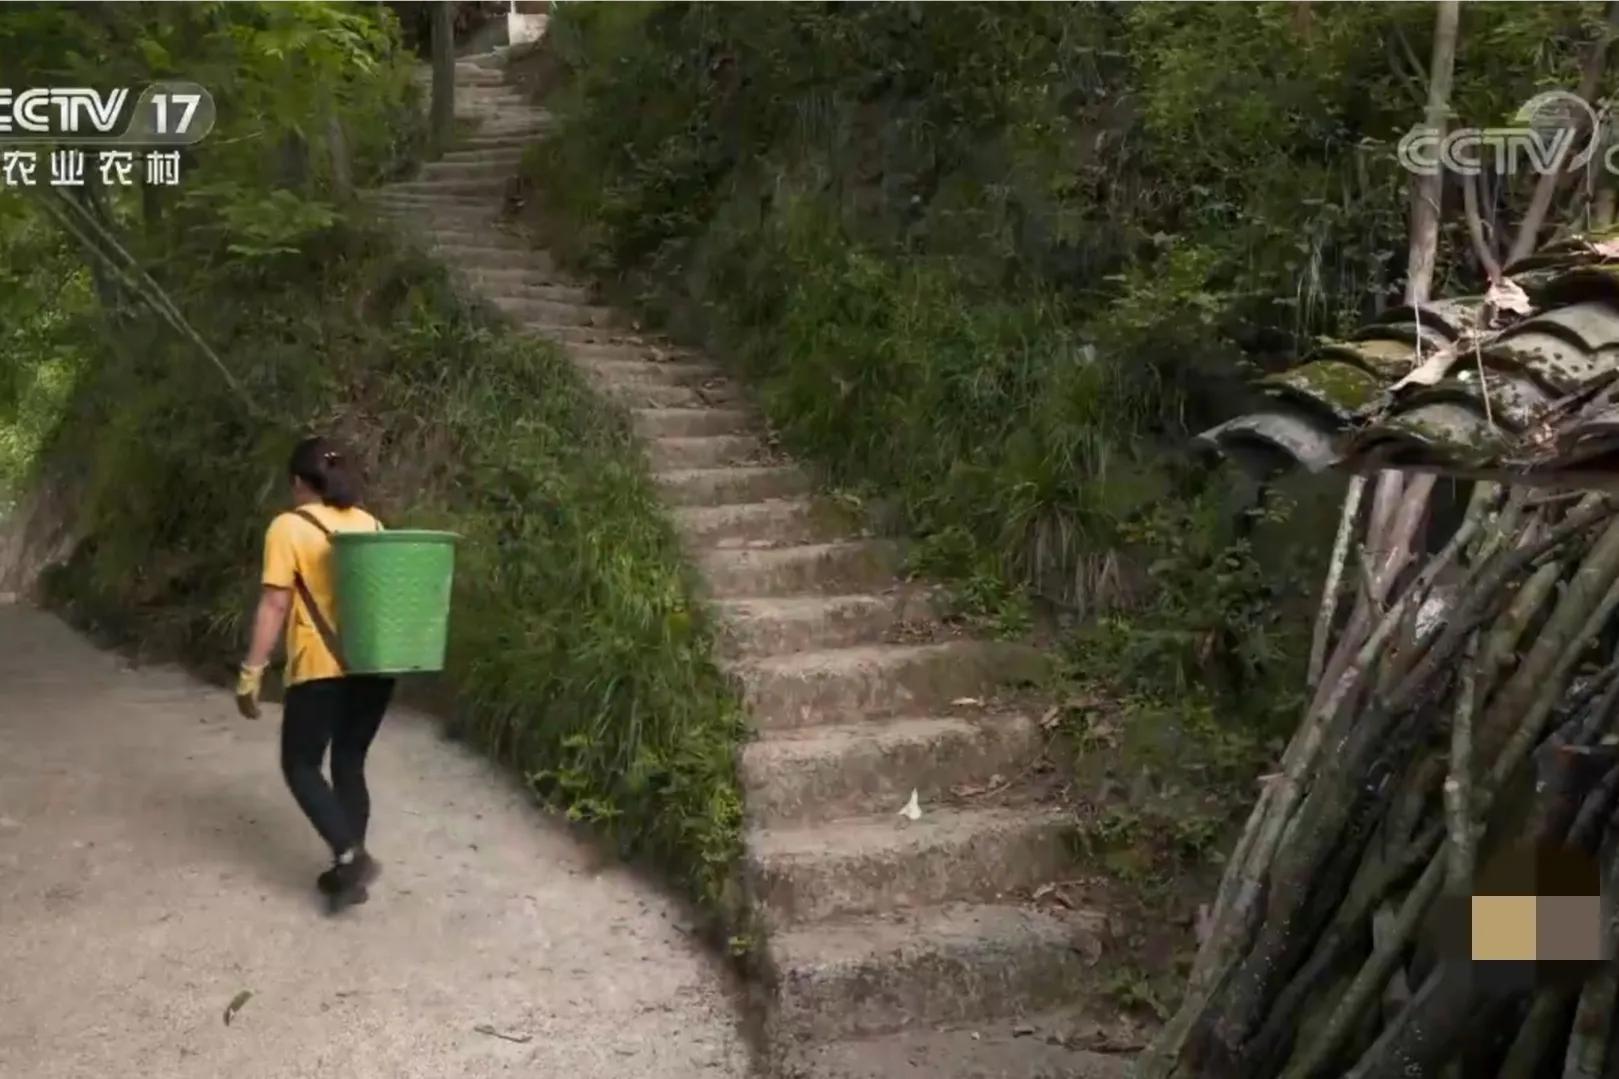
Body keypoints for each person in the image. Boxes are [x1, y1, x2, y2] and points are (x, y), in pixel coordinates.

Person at [234, 436, 393, 913]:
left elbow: (276, 602)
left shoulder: (288, 527)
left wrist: (252, 669)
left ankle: (351, 856)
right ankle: (351, 873)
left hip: (321, 666)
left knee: (301, 765)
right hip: (373, 665)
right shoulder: (372, 523)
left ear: (299, 482)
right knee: (348, 761)